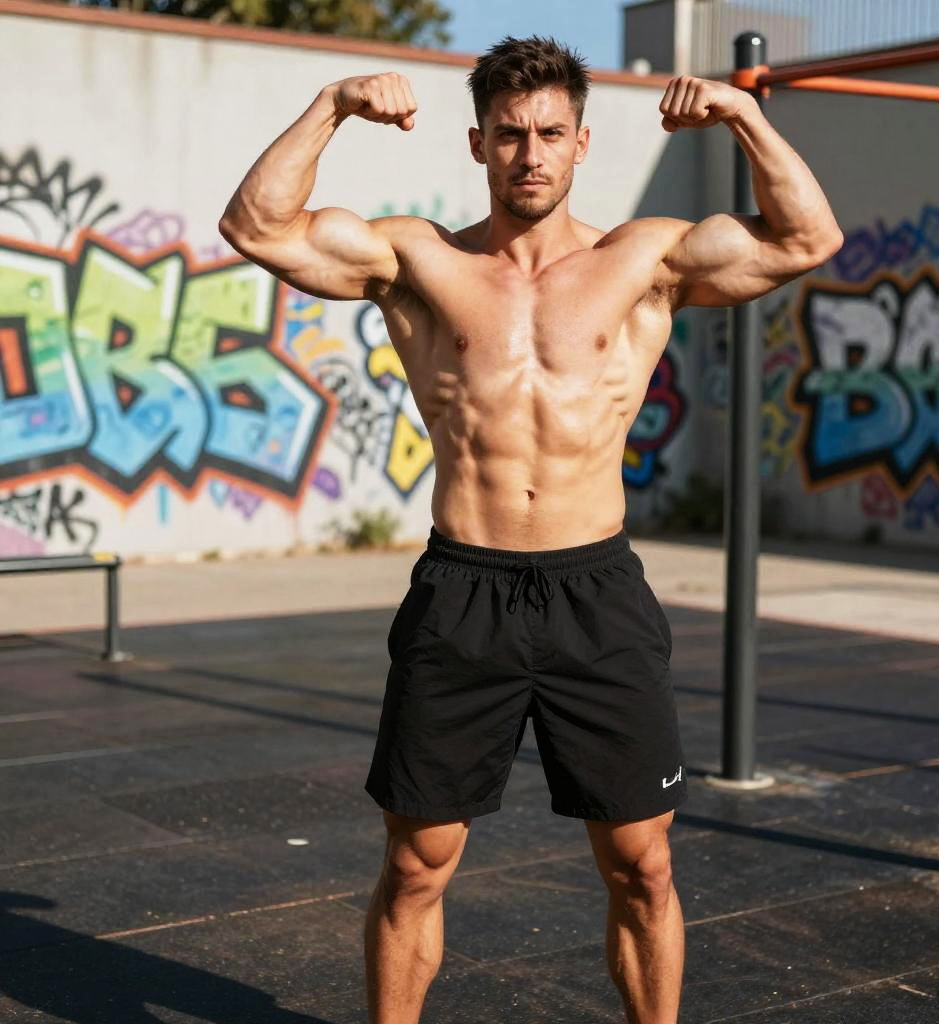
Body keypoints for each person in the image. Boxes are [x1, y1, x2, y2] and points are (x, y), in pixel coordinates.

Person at [219, 35, 841, 1024]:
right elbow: (256, 225)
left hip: (597, 595)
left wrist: (742, 115)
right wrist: (333, 103)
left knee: (642, 865)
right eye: (509, 135)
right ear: (478, 144)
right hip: (462, 592)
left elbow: (806, 239)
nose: (530, 153)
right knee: (418, 865)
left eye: (550, 132)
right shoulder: (419, 258)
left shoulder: (642, 259)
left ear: (582, 142)